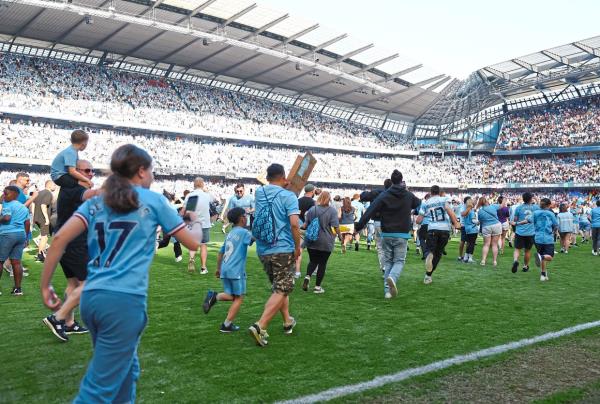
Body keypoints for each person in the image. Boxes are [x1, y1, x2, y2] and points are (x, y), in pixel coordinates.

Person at [40, 144, 201, 402]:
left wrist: (45, 285)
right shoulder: (153, 200)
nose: (152, 177)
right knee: (98, 390)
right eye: (152, 172)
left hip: (92, 299)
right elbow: (193, 242)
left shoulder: (98, 201)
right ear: (140, 171)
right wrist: (195, 222)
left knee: (126, 371)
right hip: (123, 300)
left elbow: (58, 239)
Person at [42, 160, 98, 342]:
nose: (91, 174)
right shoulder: (74, 190)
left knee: (73, 284)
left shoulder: (73, 190)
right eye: (87, 170)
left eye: (92, 171)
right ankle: (57, 318)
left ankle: (69, 323)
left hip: (68, 242)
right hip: (74, 243)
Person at [248, 163, 300, 347]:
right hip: (283, 247)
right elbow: (294, 224)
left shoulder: (259, 192)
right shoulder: (289, 196)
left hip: (263, 248)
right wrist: (298, 247)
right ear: (284, 177)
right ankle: (260, 326)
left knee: (279, 287)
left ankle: (287, 321)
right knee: (282, 288)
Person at [356, 170, 420, 297]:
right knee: (399, 261)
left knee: (389, 261)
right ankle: (392, 278)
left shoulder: (384, 195)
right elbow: (418, 204)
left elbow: (370, 210)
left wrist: (359, 226)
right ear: (401, 180)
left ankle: (387, 292)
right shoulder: (408, 195)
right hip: (402, 233)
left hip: (386, 233)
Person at [203, 208, 254, 333]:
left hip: (226, 268)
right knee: (239, 298)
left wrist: (218, 268)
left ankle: (214, 296)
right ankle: (226, 325)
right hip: (236, 270)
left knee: (231, 295)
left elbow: (221, 252)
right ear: (242, 218)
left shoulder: (230, 233)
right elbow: (254, 239)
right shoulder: (244, 233)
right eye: (245, 215)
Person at [416, 185, 459, 285]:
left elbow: (419, 220)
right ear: (439, 192)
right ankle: (428, 276)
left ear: (431, 192)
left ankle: (429, 255)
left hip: (432, 229)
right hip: (444, 229)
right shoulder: (445, 199)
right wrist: (456, 223)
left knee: (430, 251)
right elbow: (450, 212)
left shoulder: (426, 203)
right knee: (438, 254)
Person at [301, 191, 341, 294]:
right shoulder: (332, 211)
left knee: (313, 261)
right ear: (329, 199)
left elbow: (305, 225)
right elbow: (335, 226)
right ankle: (317, 287)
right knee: (322, 264)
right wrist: (340, 237)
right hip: (326, 241)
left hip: (312, 240)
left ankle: (307, 276)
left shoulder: (312, 209)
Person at [182, 177, 217, 274]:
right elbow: (215, 200)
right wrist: (207, 190)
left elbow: (186, 210)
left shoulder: (190, 195)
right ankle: (203, 268)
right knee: (203, 245)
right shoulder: (206, 195)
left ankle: (192, 259)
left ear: (194, 185)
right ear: (202, 184)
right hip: (204, 224)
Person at [0, 186, 30, 296]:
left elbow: (7, 218)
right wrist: (26, 238)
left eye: (6, 193)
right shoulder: (23, 207)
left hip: (7, 234)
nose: (4, 195)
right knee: (16, 262)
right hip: (20, 234)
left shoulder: (8, 204)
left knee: (0, 261)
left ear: (14, 194)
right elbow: (27, 223)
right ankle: (18, 289)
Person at [359, 179, 392, 273]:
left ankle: (384, 267)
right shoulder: (397, 194)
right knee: (389, 246)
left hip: (378, 221)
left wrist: (369, 191)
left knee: (381, 247)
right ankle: (389, 267)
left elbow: (363, 196)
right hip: (392, 223)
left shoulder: (378, 192)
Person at [511, 192, 539, 274]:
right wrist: (536, 199)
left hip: (520, 232)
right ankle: (525, 266)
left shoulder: (519, 208)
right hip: (531, 232)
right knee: (527, 251)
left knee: (517, 249)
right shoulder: (535, 207)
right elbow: (541, 205)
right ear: (531, 199)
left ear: (523, 199)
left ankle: (515, 260)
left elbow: (515, 220)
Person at [532, 198, 558, 281]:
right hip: (548, 238)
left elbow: (529, 221)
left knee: (543, 257)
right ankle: (540, 257)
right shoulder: (551, 214)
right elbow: (556, 225)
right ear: (549, 205)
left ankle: (543, 274)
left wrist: (518, 223)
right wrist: (554, 232)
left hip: (537, 238)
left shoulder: (535, 213)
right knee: (549, 257)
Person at [32, 180, 56, 262]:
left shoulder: (39, 192)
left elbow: (33, 204)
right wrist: (46, 218)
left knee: (43, 236)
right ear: (49, 185)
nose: (55, 187)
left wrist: (33, 215)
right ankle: (40, 255)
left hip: (37, 217)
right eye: (54, 185)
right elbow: (43, 205)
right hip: (43, 218)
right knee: (44, 237)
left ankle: (41, 253)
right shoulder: (48, 193)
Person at [296, 184, 316, 278]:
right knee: (313, 251)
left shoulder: (297, 201)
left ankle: (297, 272)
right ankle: (313, 271)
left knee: (299, 249)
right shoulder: (314, 203)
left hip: (299, 227)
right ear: (312, 191)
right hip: (310, 228)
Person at [476, 196, 502, 267]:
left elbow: (480, 221)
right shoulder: (493, 206)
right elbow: (501, 205)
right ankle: (494, 261)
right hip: (496, 225)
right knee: (494, 244)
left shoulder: (480, 211)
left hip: (486, 227)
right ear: (487, 201)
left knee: (486, 244)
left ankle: (483, 260)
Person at [461, 196, 479, 263]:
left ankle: (466, 257)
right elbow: (473, 220)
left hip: (467, 229)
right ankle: (470, 258)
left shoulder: (466, 211)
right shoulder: (471, 212)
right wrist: (478, 222)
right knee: (472, 244)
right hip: (473, 229)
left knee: (468, 243)